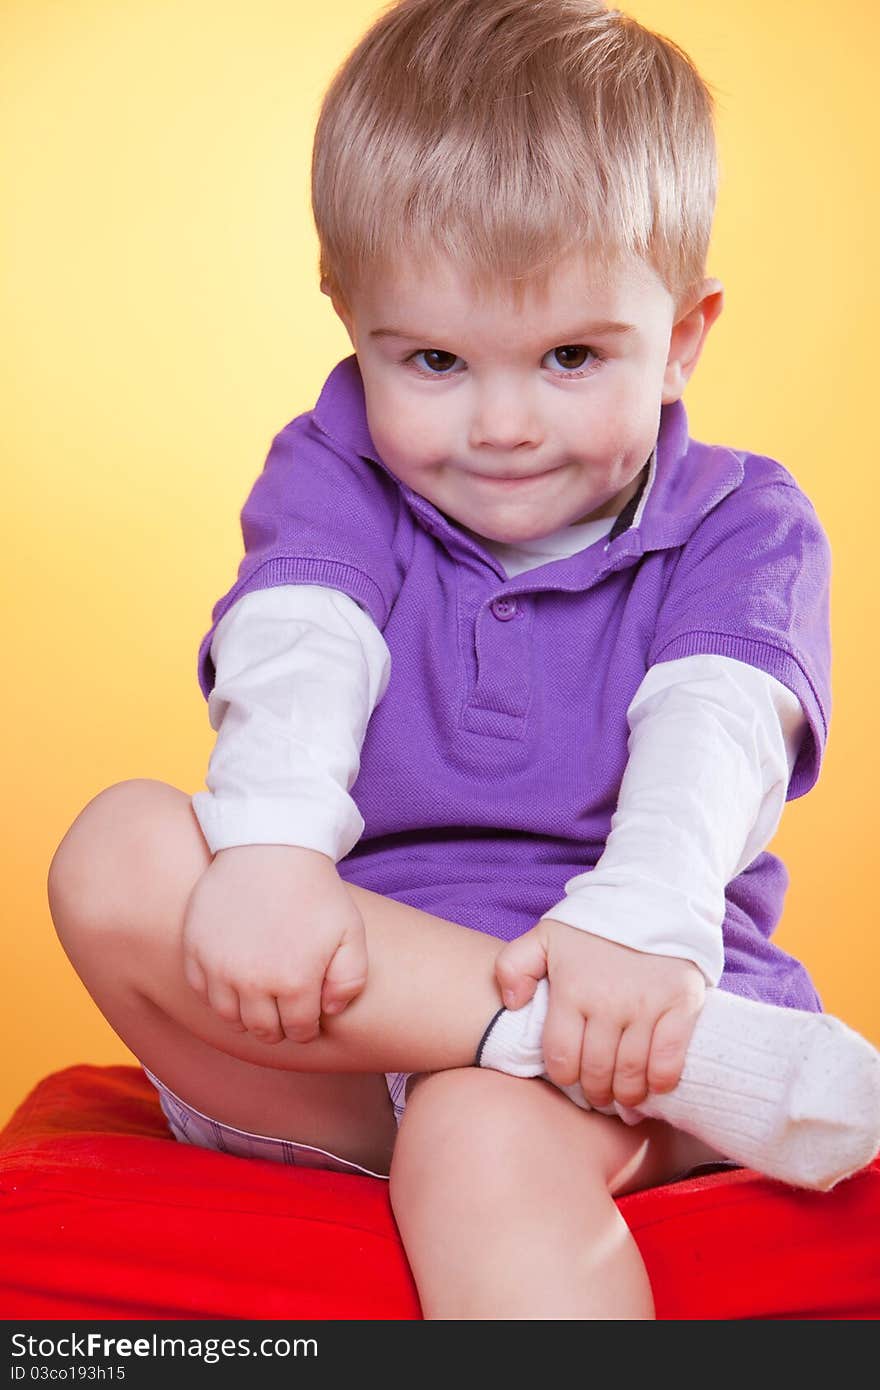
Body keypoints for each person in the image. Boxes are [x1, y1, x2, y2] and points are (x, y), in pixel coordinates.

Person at [47, 0, 880, 1320]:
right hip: (344, 1011)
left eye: (569, 356)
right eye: (433, 358)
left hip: (627, 1018)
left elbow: (712, 724)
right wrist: (270, 845)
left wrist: (638, 924)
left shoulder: (741, 521)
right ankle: (677, 1060)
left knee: (482, 1143)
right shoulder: (335, 463)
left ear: (683, 335)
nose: (500, 424)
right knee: (116, 849)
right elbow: (301, 639)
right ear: (350, 316)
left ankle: (618, 1057)